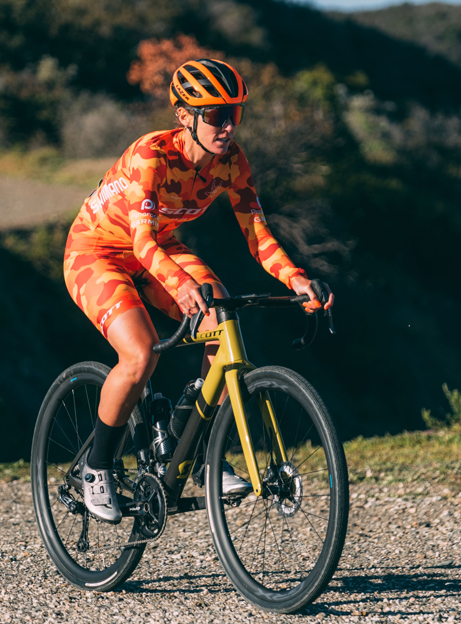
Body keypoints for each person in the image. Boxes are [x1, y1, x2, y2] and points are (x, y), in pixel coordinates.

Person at [62, 58, 334, 523]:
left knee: (221, 319)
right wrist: (181, 283)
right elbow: (141, 241)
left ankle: (195, 443)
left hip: (158, 249)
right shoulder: (153, 155)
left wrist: (297, 279)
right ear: (184, 115)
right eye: (214, 115)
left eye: (235, 114)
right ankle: (98, 466)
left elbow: (259, 237)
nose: (227, 126)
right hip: (98, 251)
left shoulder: (233, 164)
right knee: (141, 354)